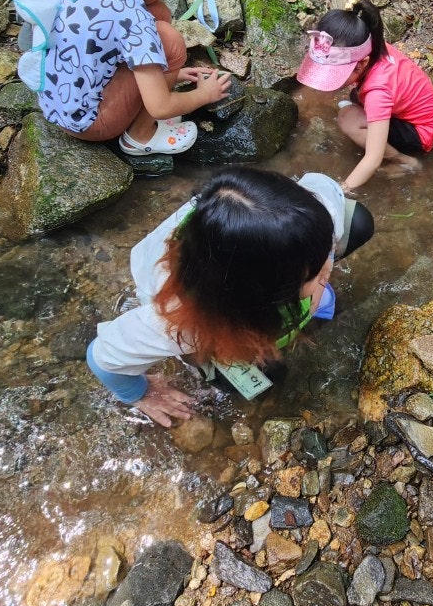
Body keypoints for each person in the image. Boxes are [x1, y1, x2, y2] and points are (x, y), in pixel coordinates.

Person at [85, 168, 375, 424]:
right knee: (264, 379)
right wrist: (141, 393)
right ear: (260, 302)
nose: (329, 268)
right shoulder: (181, 322)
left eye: (327, 258)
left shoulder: (307, 207)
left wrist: (320, 259)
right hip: (216, 307)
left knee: (358, 221)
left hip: (240, 258)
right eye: (319, 275)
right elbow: (102, 358)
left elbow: (323, 190)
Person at [39, 0, 231, 156]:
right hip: (90, 123)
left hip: (59, 105)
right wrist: (204, 95)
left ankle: (152, 80)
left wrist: (166, 73)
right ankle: (139, 136)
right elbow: (161, 108)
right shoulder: (131, 14)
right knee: (171, 41)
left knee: (158, 12)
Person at [296, 0, 433, 191]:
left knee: (347, 118)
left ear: (363, 63)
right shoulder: (373, 45)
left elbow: (372, 159)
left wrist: (341, 190)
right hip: (418, 112)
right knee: (353, 97)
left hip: (421, 132)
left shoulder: (377, 92)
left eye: (335, 73)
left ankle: (405, 161)